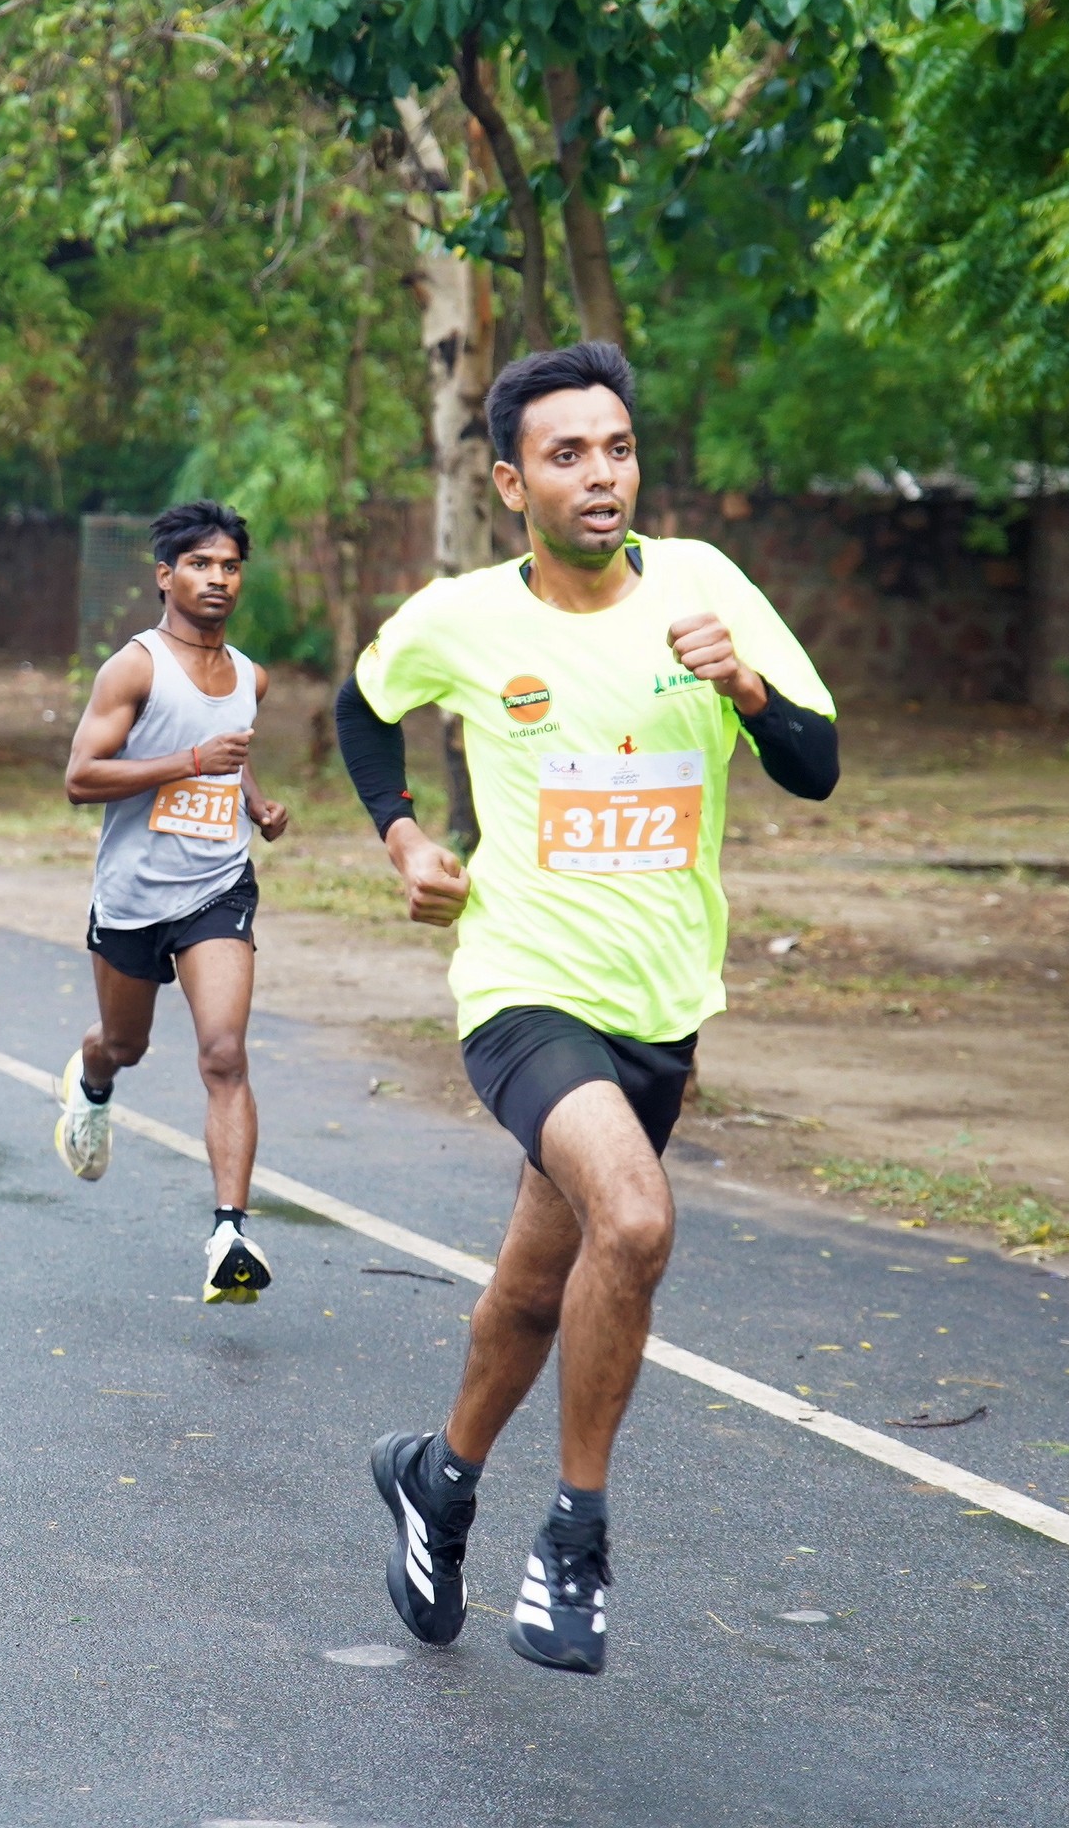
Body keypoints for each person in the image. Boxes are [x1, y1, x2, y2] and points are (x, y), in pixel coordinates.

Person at [337, 342, 839, 1675]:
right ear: (512, 483)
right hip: (522, 988)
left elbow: (817, 764)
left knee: (534, 1285)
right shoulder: (462, 618)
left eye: (617, 448)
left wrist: (745, 689)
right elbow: (363, 708)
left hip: (661, 1008)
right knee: (637, 1217)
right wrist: (403, 836)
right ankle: (575, 1534)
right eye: (567, 454)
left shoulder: (704, 586)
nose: (601, 473)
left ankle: (437, 1477)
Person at [54, 500, 290, 1306]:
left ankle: (230, 1233)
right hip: (132, 896)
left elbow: (232, 750)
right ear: (165, 575)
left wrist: (254, 803)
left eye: (230, 566)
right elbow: (81, 778)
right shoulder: (135, 668)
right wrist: (190, 760)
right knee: (125, 1044)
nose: (217, 578)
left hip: (218, 887)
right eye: (199, 564)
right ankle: (91, 1083)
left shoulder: (251, 676)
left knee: (224, 1052)